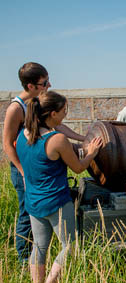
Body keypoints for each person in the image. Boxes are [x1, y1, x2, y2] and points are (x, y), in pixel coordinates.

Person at [16, 90, 102, 283]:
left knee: (39, 246)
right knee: (70, 246)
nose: (66, 115)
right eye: (64, 111)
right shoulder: (57, 139)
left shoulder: (23, 135)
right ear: (52, 114)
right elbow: (79, 167)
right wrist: (91, 152)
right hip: (56, 201)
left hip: (34, 202)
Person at [2, 62, 84, 265]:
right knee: (25, 217)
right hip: (27, 168)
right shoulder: (16, 108)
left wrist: (82, 139)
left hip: (40, 166)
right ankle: (23, 263)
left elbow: (57, 125)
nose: (49, 85)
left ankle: (35, 274)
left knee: (40, 233)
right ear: (30, 86)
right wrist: (23, 172)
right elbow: (7, 144)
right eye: (44, 82)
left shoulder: (39, 103)